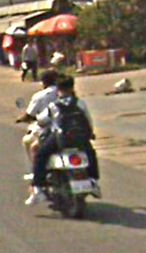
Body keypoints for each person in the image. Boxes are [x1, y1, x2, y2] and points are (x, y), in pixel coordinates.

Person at [25, 75, 101, 206]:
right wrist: (89, 134)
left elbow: (41, 120)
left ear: (58, 89)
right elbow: (88, 121)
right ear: (72, 87)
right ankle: (94, 181)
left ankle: (38, 187)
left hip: (60, 139)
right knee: (91, 153)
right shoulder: (80, 103)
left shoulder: (54, 106)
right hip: (80, 140)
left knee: (41, 155)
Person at [16, 69, 58, 165]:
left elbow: (30, 115)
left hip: (47, 130)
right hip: (68, 131)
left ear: (43, 82)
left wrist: (20, 119)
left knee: (28, 142)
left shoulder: (40, 96)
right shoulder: (66, 94)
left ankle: (37, 169)